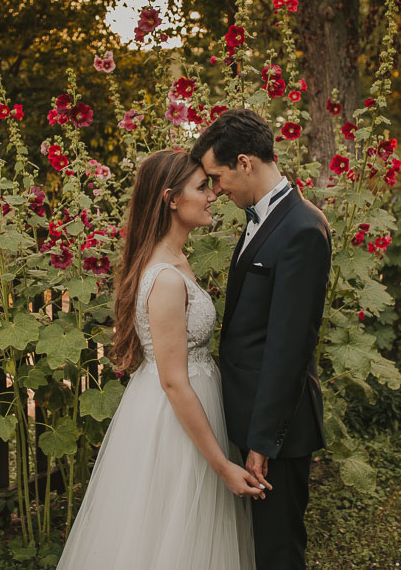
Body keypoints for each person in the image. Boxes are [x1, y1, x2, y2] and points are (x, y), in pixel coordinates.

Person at [57, 149, 258, 570]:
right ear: (170, 198)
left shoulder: (177, 261)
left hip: (194, 407)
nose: (212, 195)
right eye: (202, 188)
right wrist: (222, 466)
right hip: (174, 421)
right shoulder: (165, 278)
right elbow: (173, 381)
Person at [191, 109, 331, 570]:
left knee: (277, 549)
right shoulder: (262, 217)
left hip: (278, 430)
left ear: (245, 162)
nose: (215, 191)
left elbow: (290, 348)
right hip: (249, 415)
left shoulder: (302, 229)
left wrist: (263, 441)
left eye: (217, 177)